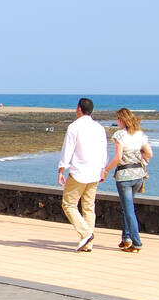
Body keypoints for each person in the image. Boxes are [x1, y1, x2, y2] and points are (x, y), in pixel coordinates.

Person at [57, 97, 108, 252]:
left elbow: (68, 149)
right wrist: (103, 169)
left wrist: (61, 169)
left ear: (79, 109)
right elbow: (103, 150)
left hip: (80, 171)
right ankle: (87, 243)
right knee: (88, 207)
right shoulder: (99, 128)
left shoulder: (74, 127)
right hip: (94, 172)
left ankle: (86, 234)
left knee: (68, 204)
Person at [102, 107, 153, 252]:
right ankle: (126, 238)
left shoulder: (119, 135)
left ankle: (136, 243)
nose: (117, 121)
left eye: (118, 119)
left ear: (122, 120)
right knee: (127, 208)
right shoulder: (139, 134)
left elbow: (118, 157)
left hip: (124, 176)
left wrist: (105, 170)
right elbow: (149, 153)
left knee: (129, 210)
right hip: (138, 175)